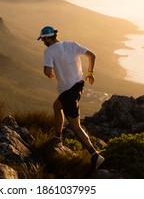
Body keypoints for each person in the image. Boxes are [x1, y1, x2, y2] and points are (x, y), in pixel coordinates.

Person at [37, 26, 104, 170]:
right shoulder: (71, 44)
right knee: (56, 106)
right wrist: (90, 73)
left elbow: (48, 71)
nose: (43, 42)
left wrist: (49, 73)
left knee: (75, 126)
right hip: (78, 86)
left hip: (68, 92)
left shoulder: (48, 51)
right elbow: (92, 55)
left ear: (48, 38)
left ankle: (95, 155)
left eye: (43, 39)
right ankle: (57, 137)